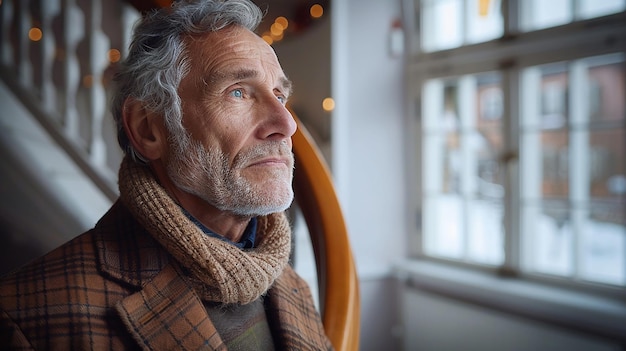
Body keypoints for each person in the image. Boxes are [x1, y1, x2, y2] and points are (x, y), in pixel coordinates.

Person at [0, 0, 333, 349]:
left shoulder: (293, 289)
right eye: (238, 92)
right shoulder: (29, 319)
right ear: (148, 129)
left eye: (279, 95)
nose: (286, 124)